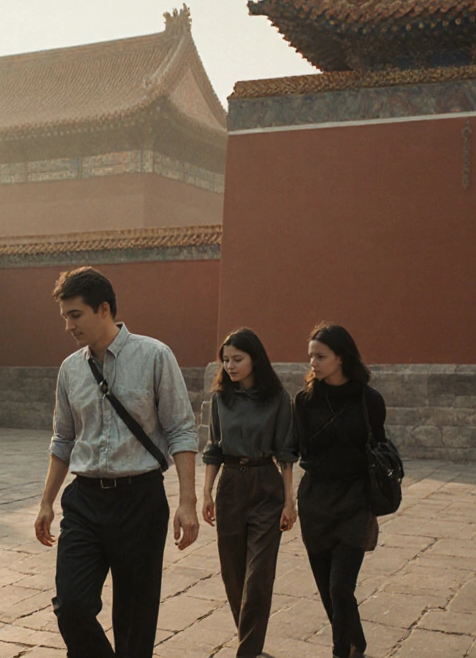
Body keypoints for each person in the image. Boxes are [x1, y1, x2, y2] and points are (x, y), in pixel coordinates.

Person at [33, 266, 200, 658]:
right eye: (65, 317)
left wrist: (187, 502)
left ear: (104, 309)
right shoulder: (71, 369)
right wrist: (46, 502)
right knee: (71, 606)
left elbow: (181, 430)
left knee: (135, 622)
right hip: (85, 501)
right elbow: (63, 439)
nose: (69, 326)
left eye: (76, 315)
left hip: (140, 500)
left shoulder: (155, 356)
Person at [282, 323, 387, 658]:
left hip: (355, 500)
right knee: (328, 590)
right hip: (316, 501)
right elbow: (292, 450)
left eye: (320, 356)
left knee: (341, 586)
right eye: (310, 356)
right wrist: (288, 500)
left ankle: (341, 650)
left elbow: (380, 446)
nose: (312, 362)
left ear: (341, 357)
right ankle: (356, 641)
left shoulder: (369, 400)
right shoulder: (303, 401)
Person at [201, 328, 297, 658]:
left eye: (237, 359)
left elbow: (285, 453)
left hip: (266, 485)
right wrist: (206, 493)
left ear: (255, 359)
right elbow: (213, 449)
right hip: (230, 487)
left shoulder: (278, 399)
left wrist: (290, 501)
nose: (230, 366)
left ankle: (247, 652)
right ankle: (250, 643)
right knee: (233, 574)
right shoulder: (220, 399)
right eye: (225, 360)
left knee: (258, 577)